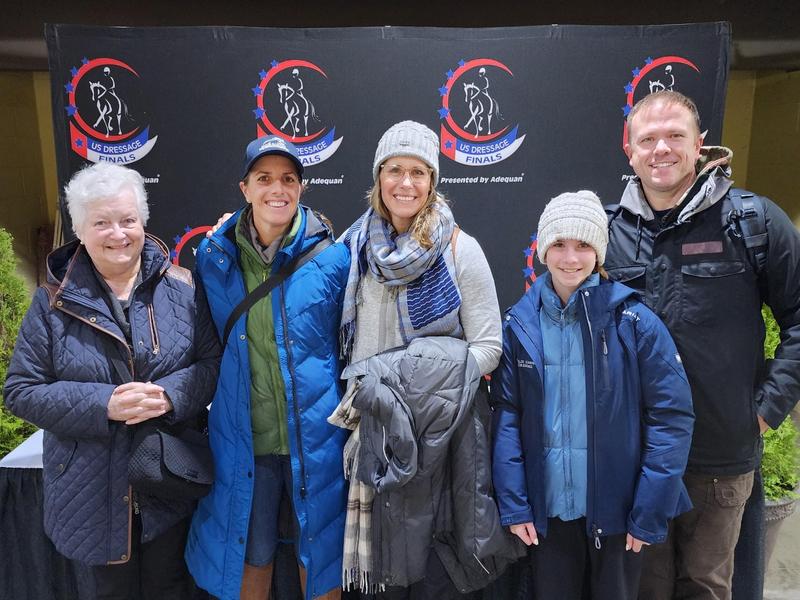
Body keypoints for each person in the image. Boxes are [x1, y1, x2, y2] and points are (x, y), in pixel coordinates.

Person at [605, 89, 800, 600]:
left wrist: (764, 409)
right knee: (642, 588)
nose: (661, 149)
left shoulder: (754, 222)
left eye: (675, 136)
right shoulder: (605, 232)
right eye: (648, 139)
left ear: (701, 145)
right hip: (637, 455)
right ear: (630, 150)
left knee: (706, 588)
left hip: (719, 457)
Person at [3, 162, 221, 599]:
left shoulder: (183, 287)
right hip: (89, 494)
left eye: (127, 220)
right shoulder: (52, 302)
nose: (118, 234)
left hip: (169, 483)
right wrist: (104, 404)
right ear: (80, 231)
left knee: (171, 587)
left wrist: (170, 395)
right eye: (101, 223)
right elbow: (21, 391)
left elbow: (211, 363)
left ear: (143, 221)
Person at [334, 120, 508, 598]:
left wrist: (411, 387)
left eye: (418, 172)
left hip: (439, 439)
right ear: (378, 178)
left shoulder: (459, 250)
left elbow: (488, 346)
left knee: (430, 575)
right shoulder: (352, 250)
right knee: (376, 582)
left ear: (433, 181)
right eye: (394, 170)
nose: (405, 183)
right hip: (370, 431)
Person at [491, 190, 694, 600]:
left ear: (599, 252)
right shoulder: (518, 324)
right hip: (549, 513)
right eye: (559, 244)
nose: (570, 257)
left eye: (583, 245)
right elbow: (507, 414)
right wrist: (514, 503)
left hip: (619, 513)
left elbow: (671, 417)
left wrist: (650, 509)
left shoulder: (635, 322)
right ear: (542, 249)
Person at [185, 135, 350, 600]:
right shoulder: (214, 258)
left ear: (300, 187)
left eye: (288, 179)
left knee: (321, 561)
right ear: (245, 188)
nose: (277, 189)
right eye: (264, 179)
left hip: (317, 442)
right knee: (248, 556)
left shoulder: (333, 258)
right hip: (245, 442)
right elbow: (203, 343)